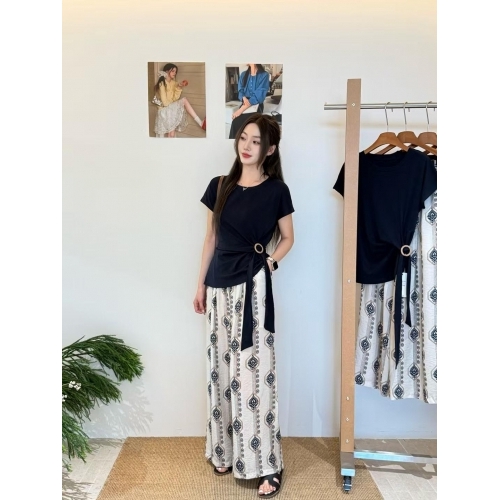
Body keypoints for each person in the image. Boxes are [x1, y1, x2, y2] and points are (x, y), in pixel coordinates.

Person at [194, 114, 294, 498]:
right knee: (220, 369)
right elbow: (211, 238)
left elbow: (288, 237)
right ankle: (223, 450)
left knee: (253, 374)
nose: (247, 146)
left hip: (252, 286)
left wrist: (269, 263)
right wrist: (200, 284)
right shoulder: (219, 186)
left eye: (256, 141)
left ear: (270, 149)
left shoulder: (277, 190)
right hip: (218, 286)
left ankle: (267, 463)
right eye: (243, 138)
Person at [153, 63, 206, 137]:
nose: (175, 73)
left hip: (170, 109)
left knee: (171, 134)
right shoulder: (162, 83)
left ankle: (201, 123)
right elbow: (164, 103)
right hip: (163, 111)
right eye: (173, 71)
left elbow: (175, 98)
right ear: (167, 71)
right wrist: (174, 104)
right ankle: (200, 123)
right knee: (184, 100)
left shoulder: (174, 83)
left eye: (175, 72)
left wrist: (179, 87)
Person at [228, 64, 270, 139]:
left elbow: (259, 96)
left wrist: (241, 110)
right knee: (235, 122)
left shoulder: (264, 75)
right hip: (245, 102)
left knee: (249, 123)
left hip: (257, 104)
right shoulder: (243, 74)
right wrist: (243, 98)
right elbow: (240, 91)